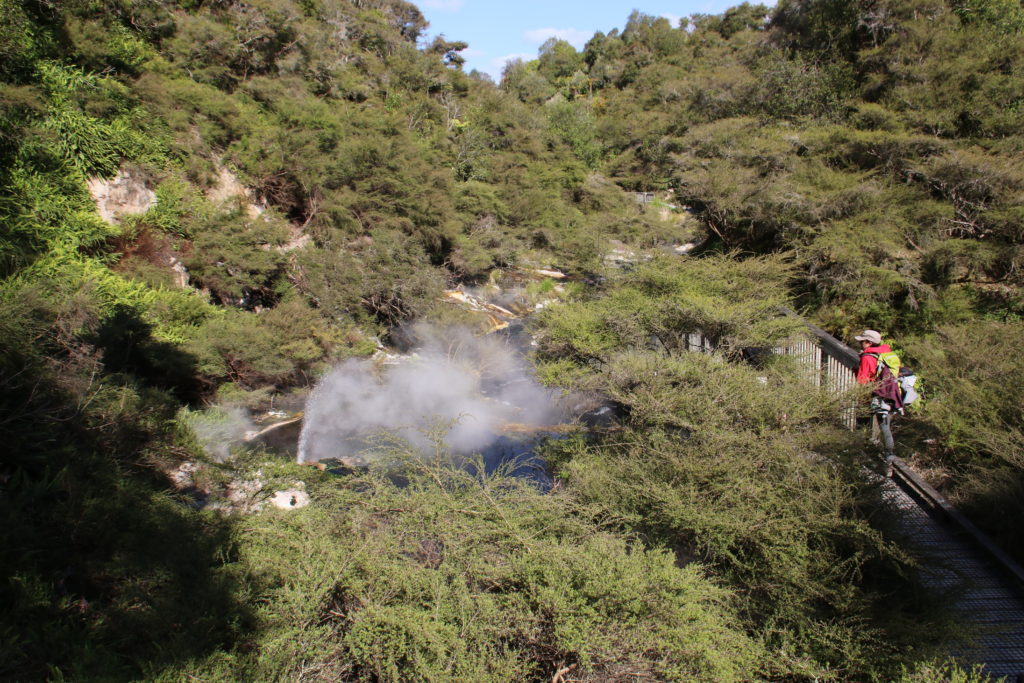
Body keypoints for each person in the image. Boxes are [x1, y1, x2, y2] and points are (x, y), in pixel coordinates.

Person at [855, 329, 898, 475]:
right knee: (885, 426)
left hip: (872, 394)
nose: (860, 343)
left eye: (862, 341)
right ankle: (889, 462)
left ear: (869, 342)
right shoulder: (886, 352)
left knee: (861, 422)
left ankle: (859, 454)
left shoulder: (867, 357)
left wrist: (860, 398)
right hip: (888, 394)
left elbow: (862, 380)